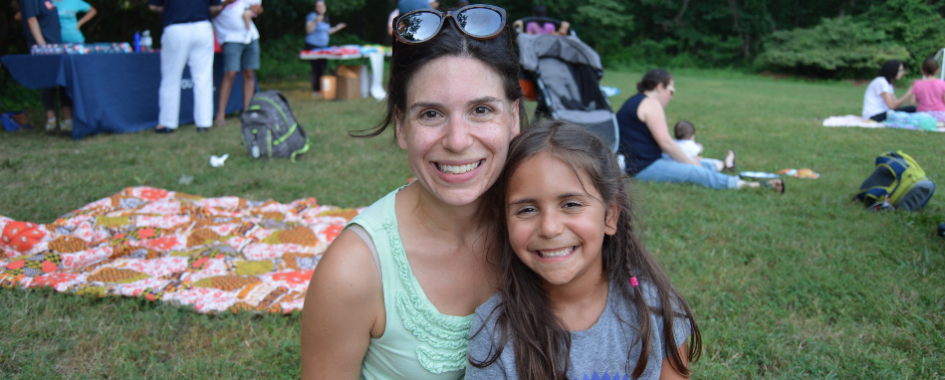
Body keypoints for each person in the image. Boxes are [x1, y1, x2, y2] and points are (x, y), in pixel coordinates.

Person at [300, 4, 526, 378]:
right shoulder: (354, 271)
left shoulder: (548, 231)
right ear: (401, 127)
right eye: (431, 114)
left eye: (482, 110)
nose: (457, 141)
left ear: (513, 117)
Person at [465, 121, 701, 379]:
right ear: (504, 222)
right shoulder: (495, 329)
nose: (550, 228)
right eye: (527, 209)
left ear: (610, 215)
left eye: (571, 204)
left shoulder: (655, 306)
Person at [616, 69, 784, 192]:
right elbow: (666, 143)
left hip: (637, 162)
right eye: (671, 91)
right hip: (641, 167)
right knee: (694, 171)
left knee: (695, 164)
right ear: (660, 87)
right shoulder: (651, 103)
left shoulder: (634, 100)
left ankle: (721, 166)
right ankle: (748, 185)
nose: (671, 96)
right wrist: (691, 163)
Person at [148, 0, 230, 134]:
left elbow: (153, 6)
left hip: (176, 26)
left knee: (171, 78)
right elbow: (216, 6)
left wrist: (170, 10)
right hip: (202, 26)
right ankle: (204, 122)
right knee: (203, 78)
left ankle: (168, 123)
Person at [18, 0, 74, 133]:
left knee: (62, 82)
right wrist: (43, 47)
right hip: (44, 47)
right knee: (48, 83)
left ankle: (68, 121)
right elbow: (31, 20)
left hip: (56, 45)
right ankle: (52, 122)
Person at [211, 0, 263, 126]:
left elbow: (259, 9)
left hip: (251, 36)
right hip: (230, 38)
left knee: (250, 73)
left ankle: (247, 112)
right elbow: (209, 13)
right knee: (230, 74)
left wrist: (256, 10)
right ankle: (221, 114)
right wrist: (226, 3)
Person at [305, 0, 346, 99]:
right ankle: (316, 90)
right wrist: (315, 20)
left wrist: (337, 27)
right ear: (315, 8)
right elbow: (308, 30)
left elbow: (327, 32)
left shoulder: (325, 18)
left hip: (323, 47)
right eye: (318, 6)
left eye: (322, 5)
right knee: (316, 68)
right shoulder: (312, 16)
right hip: (313, 46)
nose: (321, 7)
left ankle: (322, 89)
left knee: (322, 67)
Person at [670, 120, 734, 173]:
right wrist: (699, 147)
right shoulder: (690, 145)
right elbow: (699, 150)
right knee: (710, 164)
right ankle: (726, 164)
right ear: (691, 137)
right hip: (690, 167)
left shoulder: (673, 143)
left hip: (676, 167)